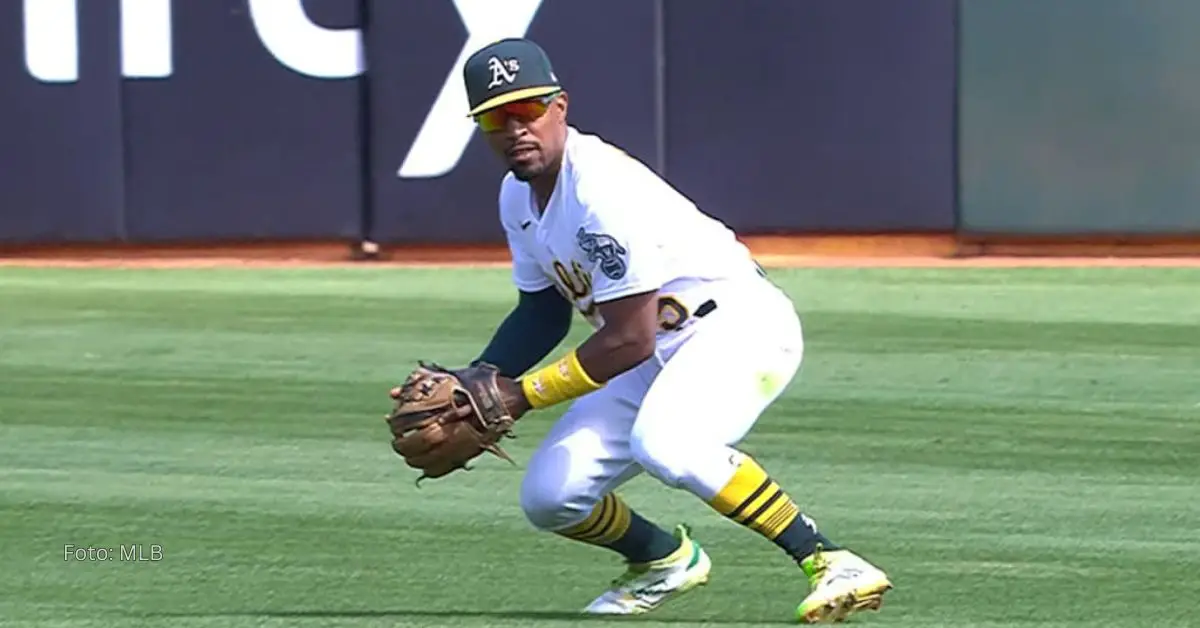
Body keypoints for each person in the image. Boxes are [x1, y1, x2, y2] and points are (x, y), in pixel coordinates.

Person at [460, 37, 893, 623]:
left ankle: (829, 558)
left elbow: (627, 338)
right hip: (650, 351)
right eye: (495, 117)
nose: (515, 128)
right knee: (550, 498)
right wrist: (477, 380)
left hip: (737, 327)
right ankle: (666, 561)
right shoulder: (517, 196)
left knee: (668, 445)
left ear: (560, 106)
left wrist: (521, 395)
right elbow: (542, 312)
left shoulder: (600, 191)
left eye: (528, 110)